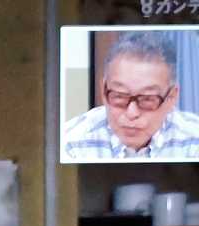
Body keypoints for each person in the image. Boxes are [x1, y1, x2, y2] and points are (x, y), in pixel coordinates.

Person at [63, 31, 199, 160]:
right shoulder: (71, 141)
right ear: (103, 91)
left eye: (147, 99)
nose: (132, 113)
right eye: (119, 96)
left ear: (171, 97)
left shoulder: (194, 138)